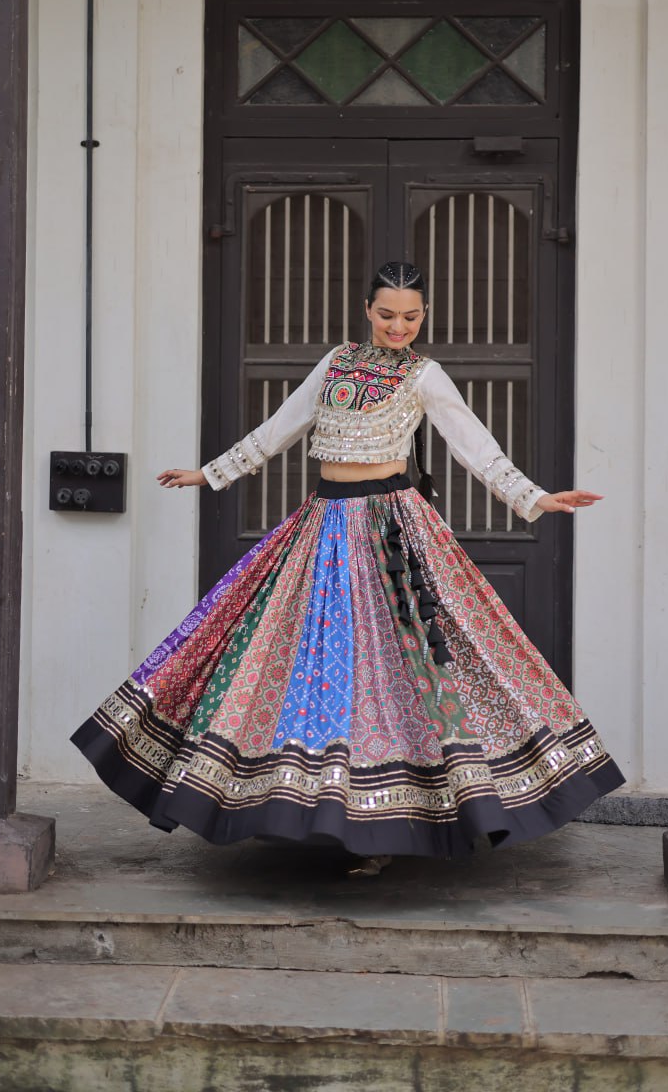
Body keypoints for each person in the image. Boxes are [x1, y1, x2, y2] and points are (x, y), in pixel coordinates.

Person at [72, 261, 623, 875]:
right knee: (296, 662)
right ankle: (313, 808)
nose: (398, 326)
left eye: (410, 317)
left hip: (391, 528)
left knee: (392, 671)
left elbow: (476, 447)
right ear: (367, 311)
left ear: (424, 317)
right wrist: (210, 473)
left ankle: (390, 822)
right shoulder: (335, 362)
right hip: (322, 522)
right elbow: (282, 427)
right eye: (387, 314)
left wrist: (534, 497)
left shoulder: (424, 374)